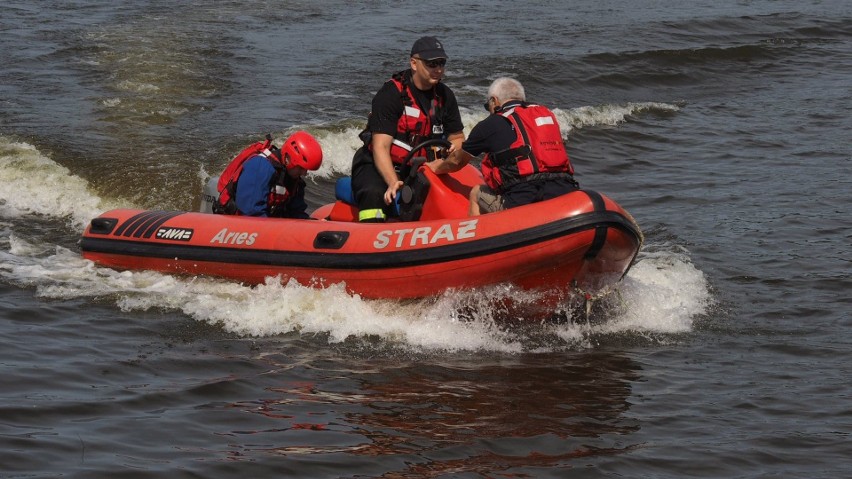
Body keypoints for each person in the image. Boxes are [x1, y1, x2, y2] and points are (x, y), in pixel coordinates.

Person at [351, 36, 465, 222]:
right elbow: (381, 147)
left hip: (420, 168)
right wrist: (392, 182)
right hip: (377, 164)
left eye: (442, 63)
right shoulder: (390, 94)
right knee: (374, 193)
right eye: (432, 64)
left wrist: (454, 149)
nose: (438, 69)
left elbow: (457, 136)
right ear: (414, 63)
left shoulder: (445, 96)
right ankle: (372, 232)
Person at [427, 77, 579, 215]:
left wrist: (436, 167)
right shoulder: (546, 116)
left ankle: (478, 240)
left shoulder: (490, 124)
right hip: (565, 192)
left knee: (476, 193)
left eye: (488, 106)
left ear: (494, 101)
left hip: (524, 200)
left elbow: (456, 161)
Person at [217, 131, 323, 219]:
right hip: (237, 227)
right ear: (288, 159)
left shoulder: (294, 180)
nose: (304, 173)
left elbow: (296, 213)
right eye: (301, 168)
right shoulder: (260, 167)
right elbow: (251, 212)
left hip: (268, 225)